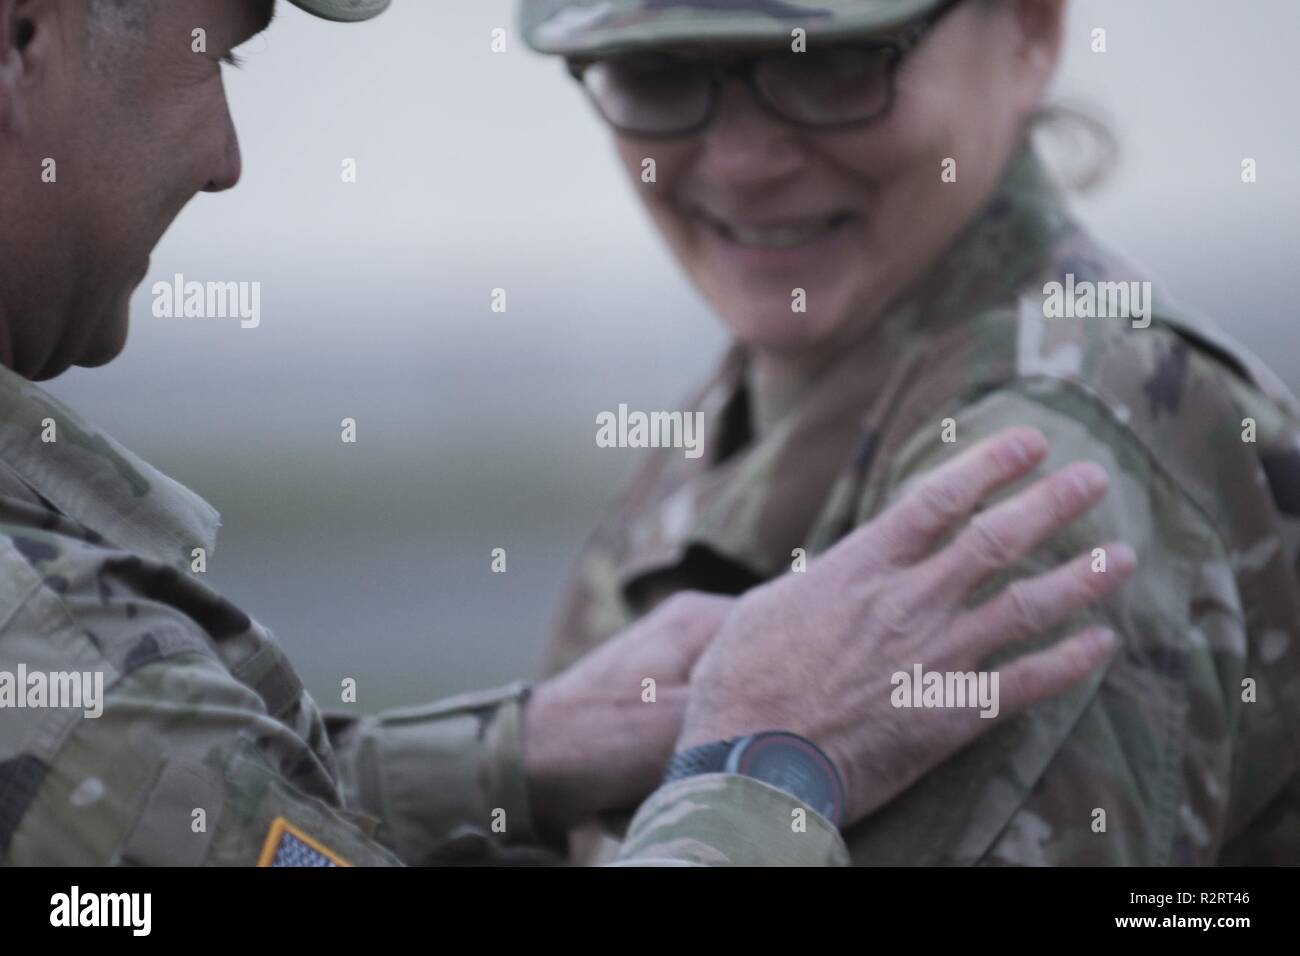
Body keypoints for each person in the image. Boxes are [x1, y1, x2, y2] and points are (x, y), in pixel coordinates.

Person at [0, 0, 1131, 867]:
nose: (228, 154)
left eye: (831, 65)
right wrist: (763, 760)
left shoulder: (1074, 442)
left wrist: (510, 755)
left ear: (1030, 33)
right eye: (220, 53)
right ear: (20, 43)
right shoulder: (39, 645)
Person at [524, 0, 1300, 865]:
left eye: (828, 64)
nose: (743, 162)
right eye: (658, 73)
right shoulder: (759, 406)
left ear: (1028, 33)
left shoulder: (1035, 462)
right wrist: (498, 767)